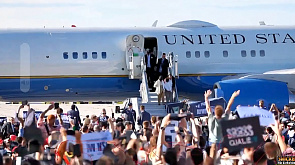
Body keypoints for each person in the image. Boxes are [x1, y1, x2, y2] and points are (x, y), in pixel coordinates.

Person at [204, 89, 240, 161]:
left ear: (215, 112)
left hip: (211, 142)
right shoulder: (225, 118)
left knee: (211, 158)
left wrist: (206, 97)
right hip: (221, 142)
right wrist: (233, 96)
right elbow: (229, 107)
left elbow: (208, 108)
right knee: (221, 159)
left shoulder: (211, 119)